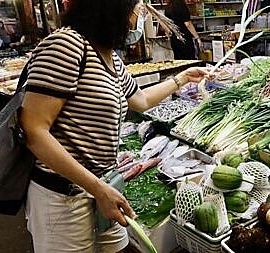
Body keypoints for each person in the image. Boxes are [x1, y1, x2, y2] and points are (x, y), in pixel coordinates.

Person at [19, 0, 210, 252]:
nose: (139, 14)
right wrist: (97, 188)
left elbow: (140, 100)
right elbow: (34, 130)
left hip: (103, 189)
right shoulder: (66, 45)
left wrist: (182, 78)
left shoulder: (109, 56)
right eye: (136, 7)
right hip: (64, 198)